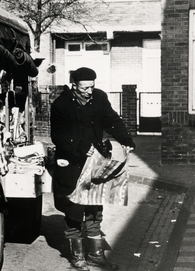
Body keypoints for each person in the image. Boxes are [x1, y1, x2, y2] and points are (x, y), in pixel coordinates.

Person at [50, 67, 135, 271]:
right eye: (85, 88)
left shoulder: (99, 98)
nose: (89, 91)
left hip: (95, 163)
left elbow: (112, 120)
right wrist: (79, 145)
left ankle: (96, 256)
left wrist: (125, 139)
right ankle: (77, 257)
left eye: (92, 87)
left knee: (95, 208)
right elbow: (58, 135)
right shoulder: (61, 105)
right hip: (72, 164)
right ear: (74, 86)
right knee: (74, 211)